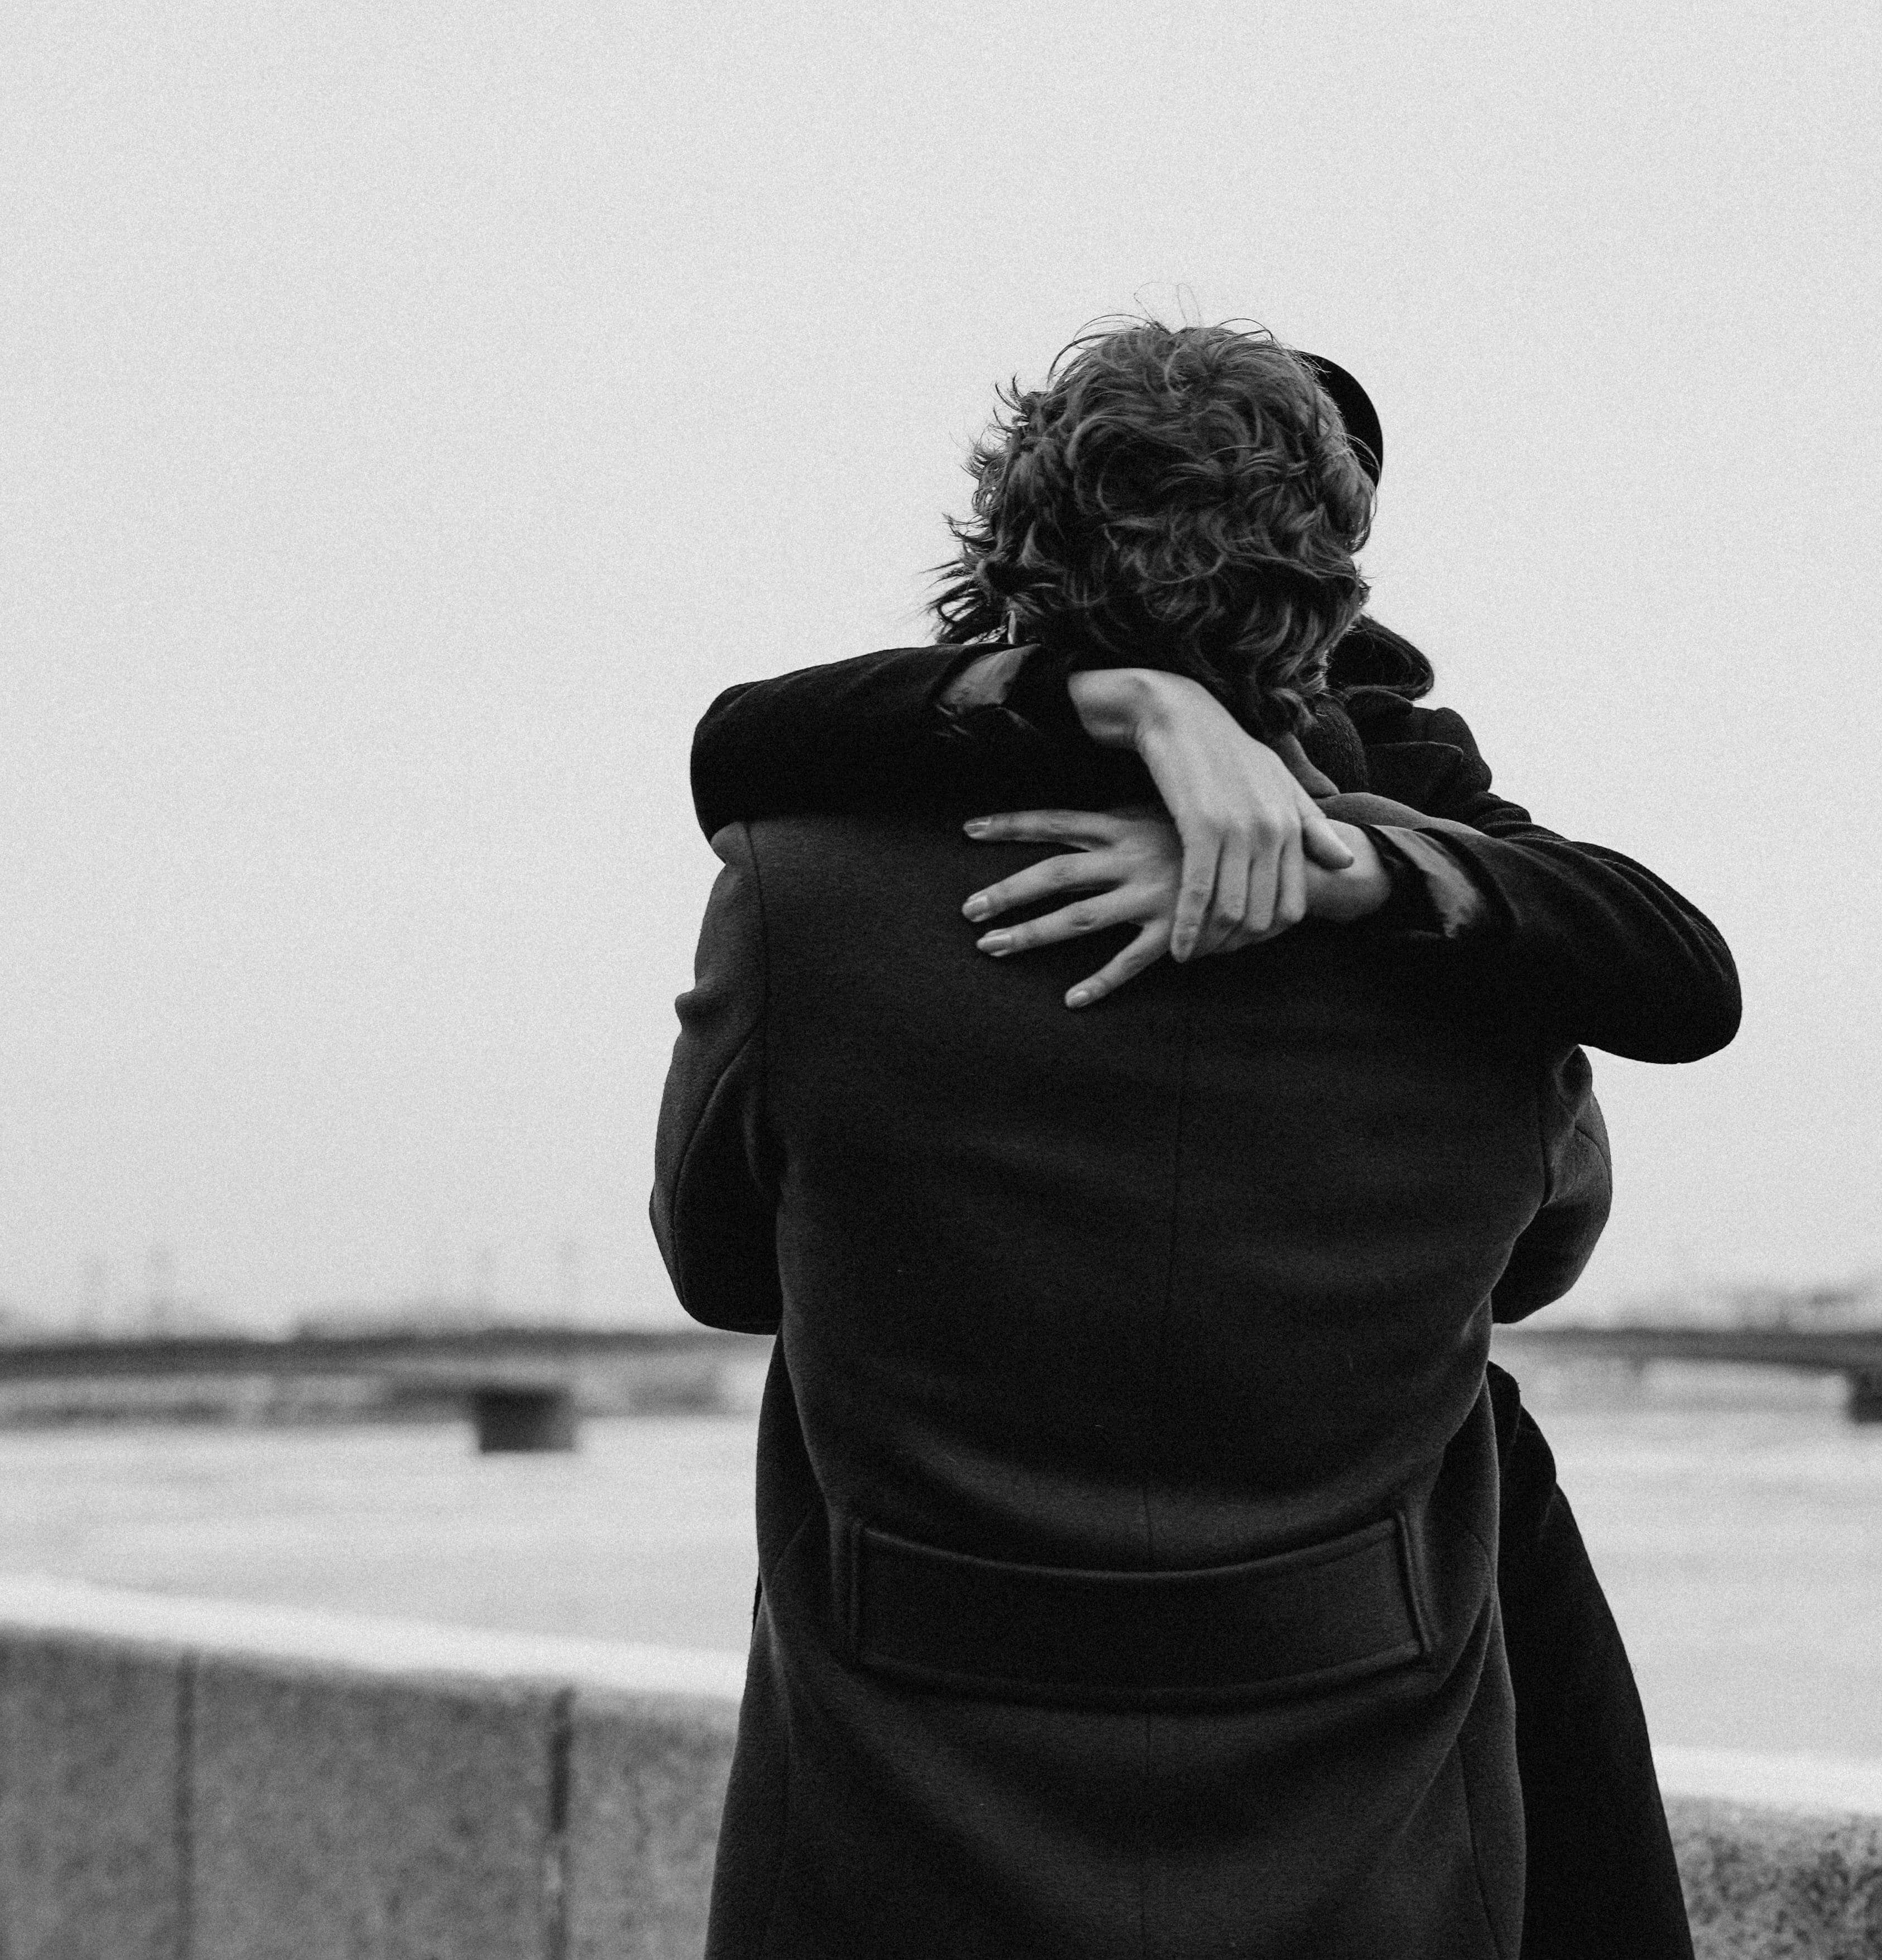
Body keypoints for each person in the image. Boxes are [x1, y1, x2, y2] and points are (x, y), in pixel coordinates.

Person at [676, 323, 1734, 1958]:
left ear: (1003, 551)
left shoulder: (799, 893)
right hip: (1353, 1775)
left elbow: (722, 1263)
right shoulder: (1477, 937)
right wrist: (1366, 873)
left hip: (905, 1776)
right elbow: (1541, 1250)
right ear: (1329, 582)